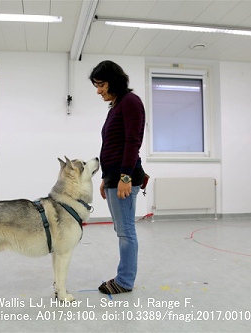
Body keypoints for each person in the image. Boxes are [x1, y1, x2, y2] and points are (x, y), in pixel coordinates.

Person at [89, 60, 146, 294]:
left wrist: (125, 177)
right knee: (122, 230)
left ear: (113, 81)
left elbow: (133, 141)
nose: (98, 90)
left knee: (126, 231)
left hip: (125, 177)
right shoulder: (117, 105)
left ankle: (124, 281)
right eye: (96, 85)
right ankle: (124, 277)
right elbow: (112, 145)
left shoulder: (130, 102)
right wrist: (106, 177)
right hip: (115, 176)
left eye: (101, 84)